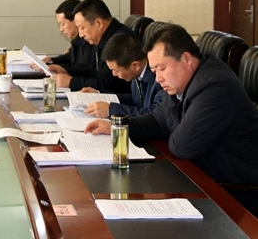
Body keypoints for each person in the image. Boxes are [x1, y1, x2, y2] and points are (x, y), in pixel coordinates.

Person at [85, 23, 258, 213]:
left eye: (162, 68)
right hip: (201, 174)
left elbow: (181, 146)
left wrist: (169, 117)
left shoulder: (215, 86)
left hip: (235, 190)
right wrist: (118, 127)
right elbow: (157, 120)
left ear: (186, 59)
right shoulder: (182, 81)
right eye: (154, 71)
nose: (158, 78)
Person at [52, 0, 138, 94]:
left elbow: (107, 84)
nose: (80, 34)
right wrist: (66, 71)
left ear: (99, 23)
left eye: (82, 28)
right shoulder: (100, 37)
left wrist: (71, 82)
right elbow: (92, 71)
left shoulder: (120, 40)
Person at [83, 33, 163, 118]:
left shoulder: (160, 79)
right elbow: (135, 100)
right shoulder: (137, 73)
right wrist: (99, 95)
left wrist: (111, 110)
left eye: (116, 70)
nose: (114, 74)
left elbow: (154, 116)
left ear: (135, 66)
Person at [42, 0, 91, 77]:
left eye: (63, 24)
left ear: (76, 20)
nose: (61, 29)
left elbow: (86, 66)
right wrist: (51, 60)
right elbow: (69, 57)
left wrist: (61, 68)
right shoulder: (76, 39)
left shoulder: (89, 39)